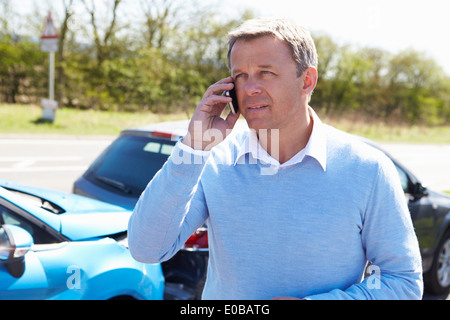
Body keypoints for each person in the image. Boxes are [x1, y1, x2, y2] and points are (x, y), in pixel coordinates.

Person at [128, 18, 423, 300]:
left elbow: (402, 281)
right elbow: (146, 249)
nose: (249, 88)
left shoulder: (368, 168)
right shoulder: (212, 159)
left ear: (307, 80)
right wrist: (193, 149)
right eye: (240, 75)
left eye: (265, 72)